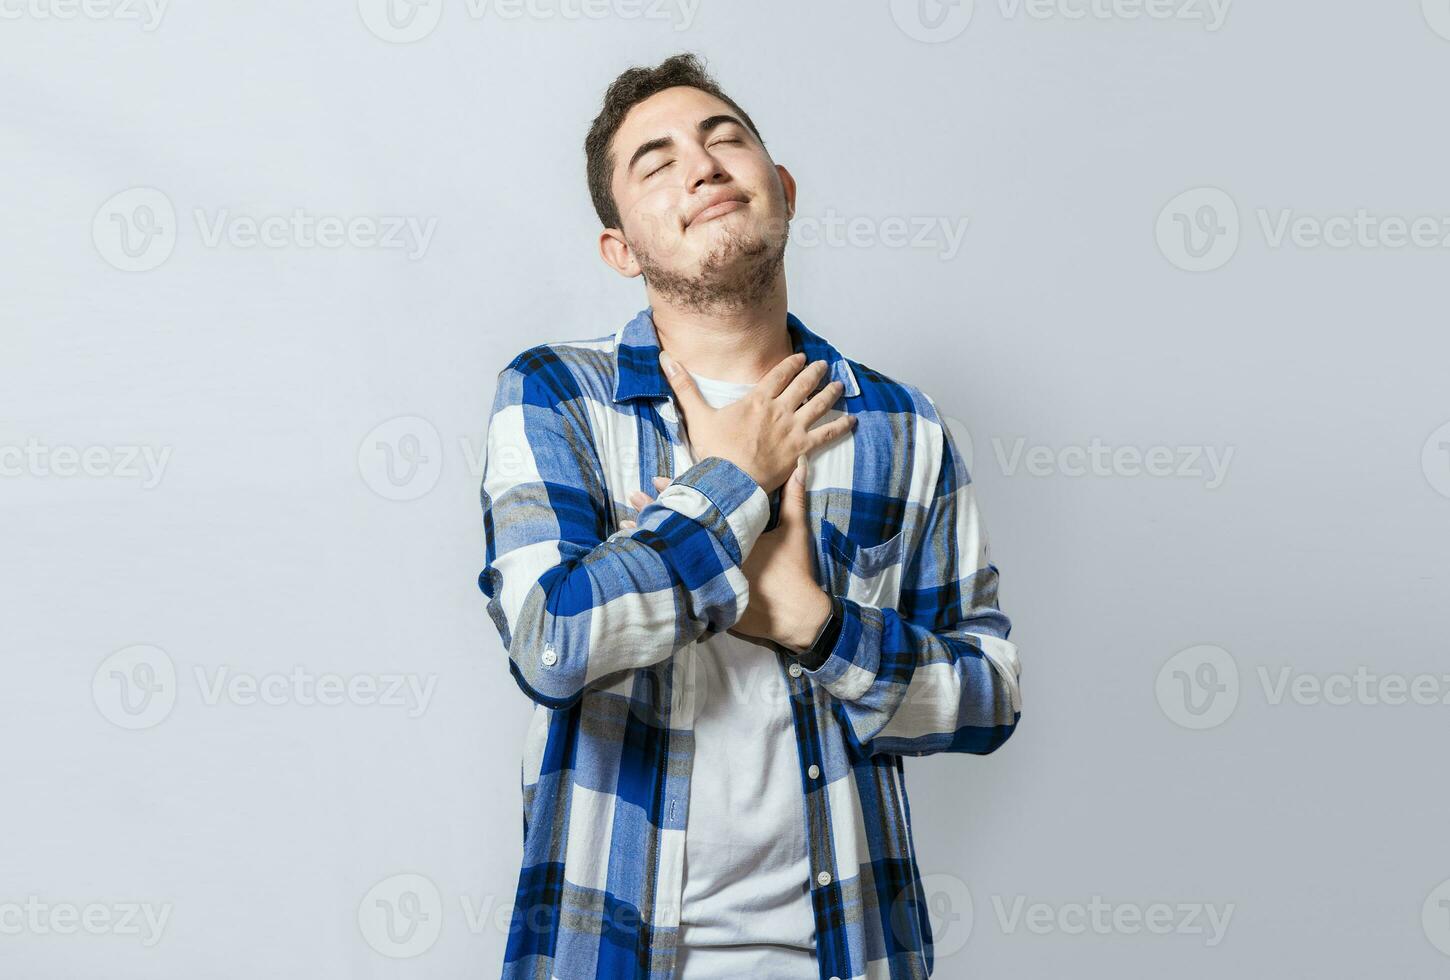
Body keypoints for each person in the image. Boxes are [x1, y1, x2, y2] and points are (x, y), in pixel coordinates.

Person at [479, 52, 1022, 980]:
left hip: (850, 953)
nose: (701, 165)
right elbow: (552, 641)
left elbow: (988, 696)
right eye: (655, 163)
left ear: (783, 187)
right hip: (607, 951)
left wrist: (815, 626)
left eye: (724, 138)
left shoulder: (901, 424)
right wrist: (732, 483)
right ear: (621, 249)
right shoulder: (557, 396)